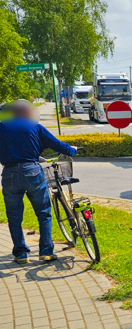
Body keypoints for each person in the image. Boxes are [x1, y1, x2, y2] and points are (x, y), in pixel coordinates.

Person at [0, 100, 77, 263]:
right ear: (27, 112)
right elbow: (58, 145)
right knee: (43, 213)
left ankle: (20, 254)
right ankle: (46, 252)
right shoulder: (35, 127)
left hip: (9, 173)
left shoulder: (2, 127)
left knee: (14, 216)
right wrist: (72, 150)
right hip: (32, 171)